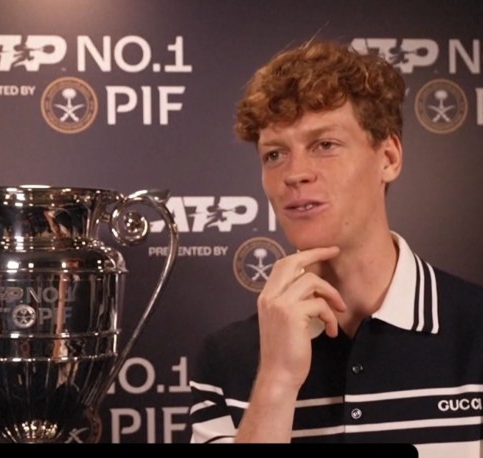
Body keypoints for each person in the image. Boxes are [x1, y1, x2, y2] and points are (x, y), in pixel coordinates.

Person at [189, 40, 483, 455]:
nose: (295, 174)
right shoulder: (226, 357)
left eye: (324, 145)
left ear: (388, 158)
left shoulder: (474, 329)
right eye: (275, 154)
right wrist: (275, 382)